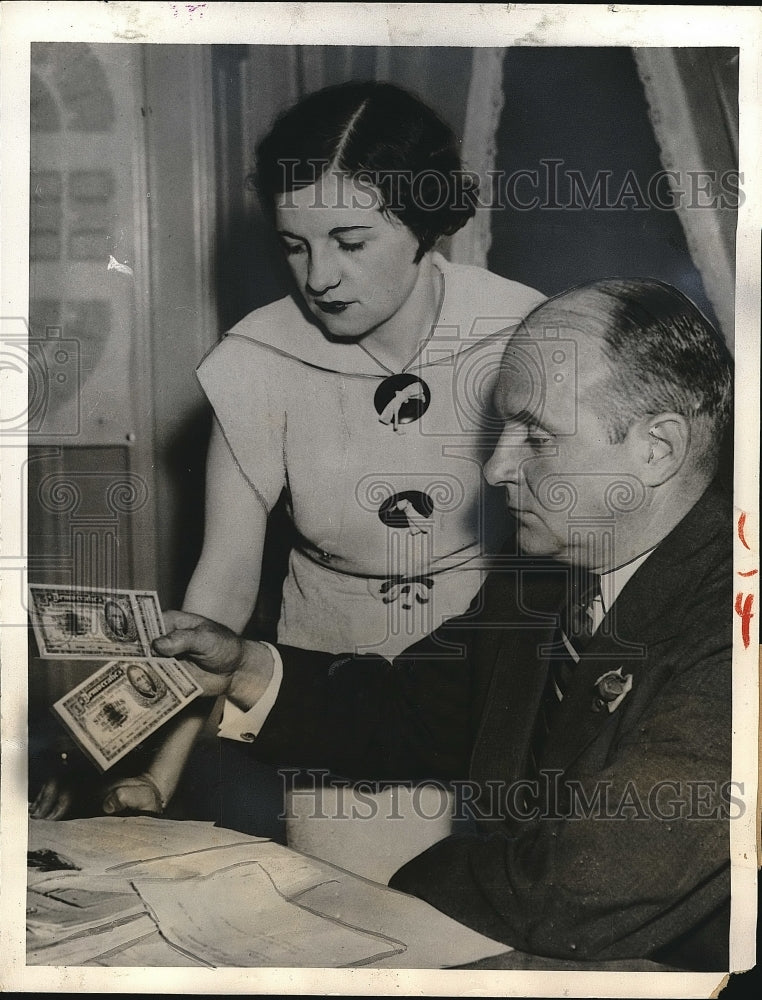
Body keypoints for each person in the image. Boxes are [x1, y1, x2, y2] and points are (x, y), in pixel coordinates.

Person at [146, 279, 734, 969]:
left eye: (536, 436)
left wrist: (382, 892)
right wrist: (247, 667)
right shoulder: (543, 581)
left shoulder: (736, 619)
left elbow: (585, 884)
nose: (495, 467)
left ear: (657, 448)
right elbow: (410, 711)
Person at [61, 80, 545, 818]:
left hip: (489, 692)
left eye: (350, 243)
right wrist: (160, 776)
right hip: (322, 702)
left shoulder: (527, 332)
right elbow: (220, 596)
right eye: (295, 245)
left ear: (422, 222)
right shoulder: (256, 360)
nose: (319, 277)